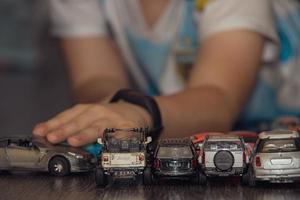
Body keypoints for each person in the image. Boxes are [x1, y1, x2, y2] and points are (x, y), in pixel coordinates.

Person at [33, 0, 300, 147]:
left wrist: (139, 111)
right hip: (196, 133)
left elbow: (220, 99)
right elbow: (94, 79)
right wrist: (113, 112)